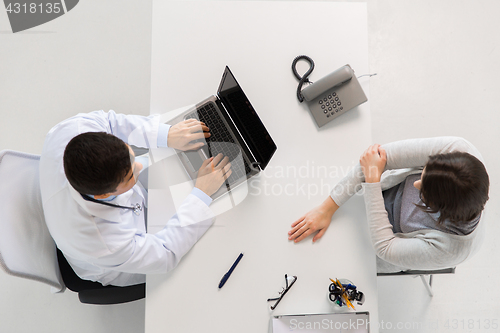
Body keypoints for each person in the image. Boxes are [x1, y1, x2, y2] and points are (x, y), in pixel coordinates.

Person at [40, 110, 231, 286]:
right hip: (117, 262)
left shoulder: (73, 131)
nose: (139, 167)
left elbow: (112, 123)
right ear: (103, 195)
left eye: (131, 155)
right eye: (130, 176)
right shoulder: (105, 241)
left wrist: (166, 135)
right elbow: (165, 254)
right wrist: (202, 194)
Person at [288, 137, 489, 272]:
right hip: (372, 193)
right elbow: (376, 159)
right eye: (424, 171)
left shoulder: (452, 249)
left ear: (440, 211)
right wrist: (327, 208)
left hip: (375, 242)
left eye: (424, 193)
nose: (416, 183)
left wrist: (372, 181)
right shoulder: (459, 150)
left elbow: (385, 248)